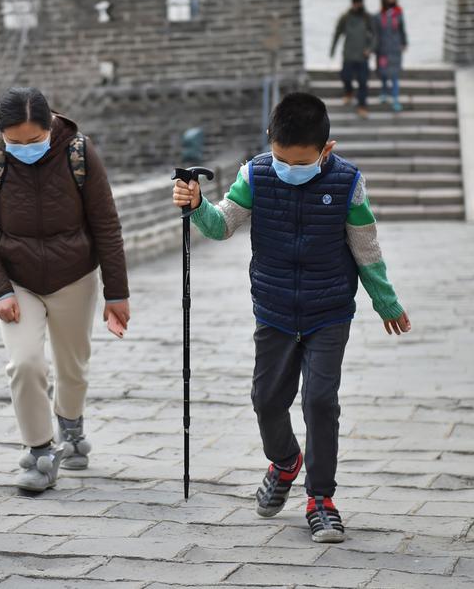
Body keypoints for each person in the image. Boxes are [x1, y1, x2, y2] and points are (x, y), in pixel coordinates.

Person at [172, 93, 410, 543]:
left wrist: (386, 302)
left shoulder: (347, 184)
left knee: (321, 402)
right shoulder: (256, 175)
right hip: (275, 310)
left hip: (329, 312)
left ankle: (321, 500)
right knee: (266, 400)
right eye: (281, 158)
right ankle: (284, 462)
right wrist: (197, 204)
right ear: (270, 141)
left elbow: (366, 249)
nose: (288, 168)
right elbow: (221, 224)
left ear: (327, 149)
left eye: (300, 163)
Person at [0, 88, 130, 493]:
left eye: (33, 140)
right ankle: (38, 452)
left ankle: (71, 427)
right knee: (24, 364)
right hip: (17, 280)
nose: (23, 148)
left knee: (73, 368)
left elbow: (106, 225)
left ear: (50, 127)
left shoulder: (79, 153)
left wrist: (116, 293)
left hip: (75, 276)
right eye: (14, 141)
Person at [329, 0, 377, 118]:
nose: (358, 5)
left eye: (359, 3)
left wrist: (369, 49)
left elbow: (375, 36)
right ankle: (348, 92)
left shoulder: (367, 17)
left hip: (362, 56)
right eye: (356, 3)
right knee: (345, 76)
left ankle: (362, 106)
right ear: (352, 3)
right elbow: (337, 33)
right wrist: (332, 49)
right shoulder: (345, 17)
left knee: (362, 82)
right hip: (348, 54)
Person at [376, 0, 408, 112]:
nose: (391, 0)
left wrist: (404, 43)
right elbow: (376, 34)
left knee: (394, 75)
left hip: (395, 50)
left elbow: (402, 29)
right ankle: (384, 92)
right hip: (383, 50)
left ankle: (395, 99)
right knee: (383, 73)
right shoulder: (378, 16)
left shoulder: (398, 14)